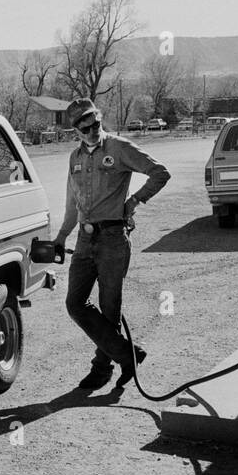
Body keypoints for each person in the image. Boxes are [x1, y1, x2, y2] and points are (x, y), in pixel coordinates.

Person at [52, 98, 170, 391]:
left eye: (96, 124)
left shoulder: (119, 147)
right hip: (84, 237)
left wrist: (133, 201)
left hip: (113, 239)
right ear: (75, 130)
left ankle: (101, 369)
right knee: (75, 303)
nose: (93, 131)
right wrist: (60, 237)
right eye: (85, 128)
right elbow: (72, 204)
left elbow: (160, 173)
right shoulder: (74, 158)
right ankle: (129, 355)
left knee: (109, 308)